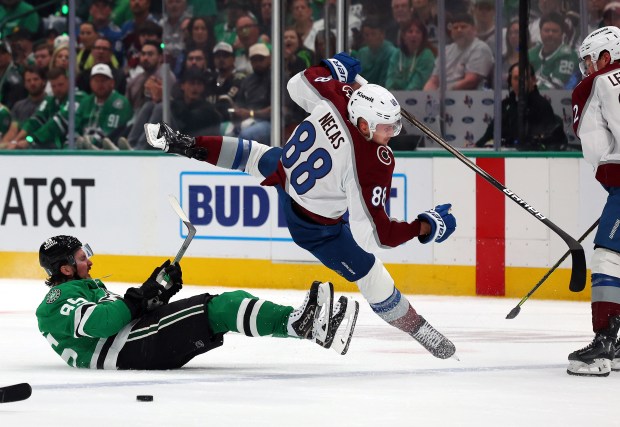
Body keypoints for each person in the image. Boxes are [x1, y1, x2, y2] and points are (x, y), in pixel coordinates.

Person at [145, 52, 458, 359]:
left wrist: (332, 68)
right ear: (363, 124)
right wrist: (425, 226)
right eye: (386, 127)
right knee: (370, 272)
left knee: (254, 156)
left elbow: (298, 83)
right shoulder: (370, 162)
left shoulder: (339, 97)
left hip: (288, 172)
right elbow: (375, 237)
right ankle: (417, 328)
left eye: (393, 126)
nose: (392, 133)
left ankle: (184, 144)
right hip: (315, 227)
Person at [36, 235, 358, 369]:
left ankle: (307, 326)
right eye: (81, 258)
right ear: (64, 268)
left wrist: (158, 291)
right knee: (222, 308)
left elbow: (124, 312)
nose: (89, 262)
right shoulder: (55, 300)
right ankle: (299, 323)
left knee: (226, 308)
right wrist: (140, 296)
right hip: (132, 349)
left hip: (137, 342)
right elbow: (102, 323)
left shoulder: (84, 288)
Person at [569, 26, 620, 376]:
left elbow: (599, 151)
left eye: (590, 60)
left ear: (605, 57)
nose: (587, 68)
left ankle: (606, 344)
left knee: (608, 254)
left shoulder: (597, 83)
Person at [475, 63, 566, 151]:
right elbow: (490, 134)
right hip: (505, 155)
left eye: (524, 78)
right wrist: (476, 146)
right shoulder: (505, 105)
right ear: (510, 81)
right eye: (516, 78)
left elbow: (542, 141)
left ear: (533, 80)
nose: (520, 82)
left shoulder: (541, 105)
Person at [423, 13, 494, 90]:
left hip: (468, 97)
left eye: (463, 27)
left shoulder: (480, 48)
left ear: (474, 29)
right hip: (441, 95)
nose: (459, 30)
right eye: (455, 27)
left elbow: (471, 81)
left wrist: (443, 92)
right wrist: (427, 96)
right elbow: (433, 80)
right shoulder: (446, 50)